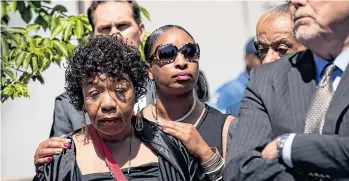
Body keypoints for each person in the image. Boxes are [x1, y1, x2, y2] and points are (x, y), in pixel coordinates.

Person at [34, 35, 215, 181]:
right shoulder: (60, 160)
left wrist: (208, 158)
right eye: (94, 93)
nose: (108, 104)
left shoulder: (172, 147)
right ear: (81, 98)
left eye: (120, 90)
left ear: (136, 91)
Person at [224, 0, 349, 180]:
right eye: (262, 50)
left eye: (282, 49)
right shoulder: (265, 80)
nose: (296, 2)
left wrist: (289, 145)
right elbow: (240, 169)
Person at [50, 0, 147, 137]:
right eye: (105, 28)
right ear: (92, 36)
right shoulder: (67, 105)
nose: (115, 35)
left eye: (122, 25)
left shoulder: (165, 87)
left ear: (141, 31)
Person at [210, 37, 259, 116]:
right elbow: (209, 116)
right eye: (258, 54)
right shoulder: (231, 90)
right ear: (247, 58)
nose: (264, 58)